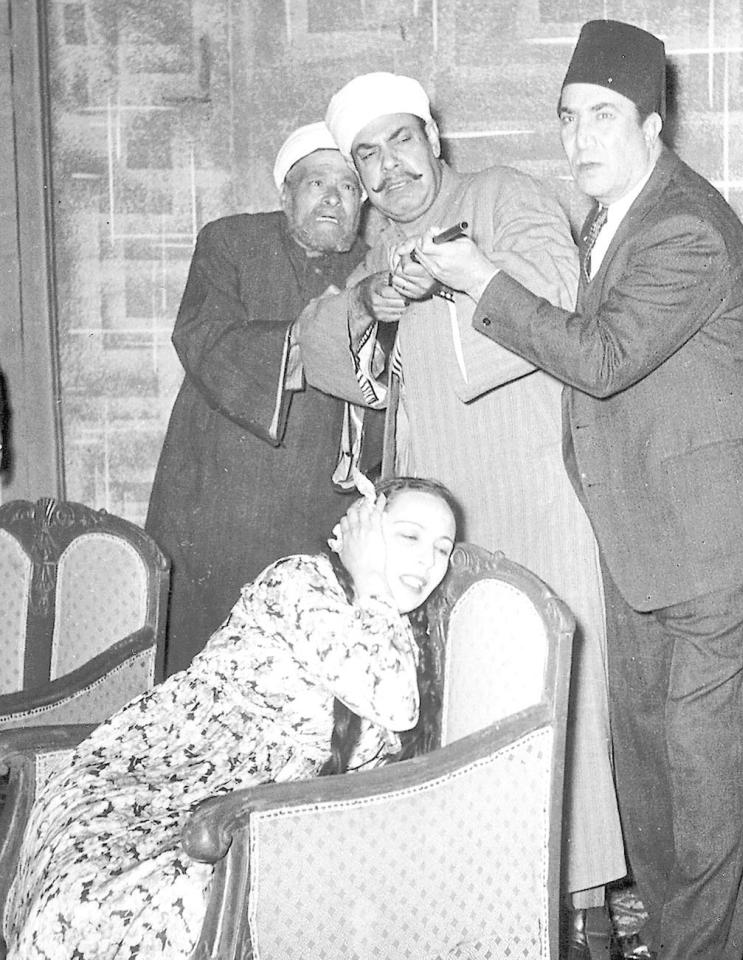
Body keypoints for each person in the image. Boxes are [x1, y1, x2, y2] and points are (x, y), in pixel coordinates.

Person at [406, 20, 743, 960]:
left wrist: (481, 280)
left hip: (715, 550)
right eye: (567, 117)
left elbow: (602, 358)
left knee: (700, 799)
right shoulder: (609, 217)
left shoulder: (684, 227)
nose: (579, 138)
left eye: (603, 117)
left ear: (653, 125)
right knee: (651, 785)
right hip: (645, 539)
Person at [294, 72, 626, 954]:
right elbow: (327, 356)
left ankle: (581, 904)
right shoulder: (380, 244)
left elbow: (554, 293)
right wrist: (370, 302)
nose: (388, 167)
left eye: (401, 140)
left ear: (433, 138)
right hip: (431, 514)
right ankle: (481, 895)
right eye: (367, 155)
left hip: (526, 489)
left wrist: (443, 285)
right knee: (456, 698)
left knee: (547, 688)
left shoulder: (501, 194)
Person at [4, 475, 459, 959]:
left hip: (265, 807)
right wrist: (370, 579)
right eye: (410, 536)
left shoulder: (401, 635)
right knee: (93, 893)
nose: (427, 561)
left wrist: (374, 592)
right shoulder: (299, 581)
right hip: (168, 771)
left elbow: (394, 711)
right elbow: (392, 703)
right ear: (362, 528)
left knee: (164, 898)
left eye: (442, 549)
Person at [145, 120, 375, 676]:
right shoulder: (231, 242)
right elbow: (203, 335)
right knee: (205, 664)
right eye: (317, 183)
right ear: (285, 194)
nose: (333, 198)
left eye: (348, 187)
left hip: (322, 505)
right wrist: (313, 337)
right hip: (220, 501)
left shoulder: (373, 265)